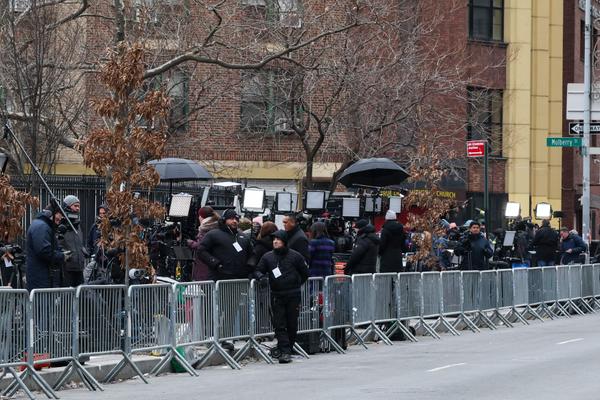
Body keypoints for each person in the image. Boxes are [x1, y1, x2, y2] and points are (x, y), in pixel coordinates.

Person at [254, 230, 308, 364]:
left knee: (292, 323)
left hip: (293, 294)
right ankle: (284, 350)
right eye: (274, 240)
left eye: (278, 239)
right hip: (277, 295)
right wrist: (261, 277)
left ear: (284, 241)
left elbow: (305, 273)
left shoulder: (295, 256)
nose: (275, 241)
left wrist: (296, 283)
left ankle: (287, 348)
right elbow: (258, 269)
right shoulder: (268, 257)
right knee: (279, 324)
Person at [197, 209, 254, 280]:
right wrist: (215, 263)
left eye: (236, 219)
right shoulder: (213, 234)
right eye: (231, 218)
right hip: (219, 278)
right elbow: (201, 251)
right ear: (224, 219)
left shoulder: (243, 237)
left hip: (240, 279)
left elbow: (252, 255)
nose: (234, 221)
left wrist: (249, 267)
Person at [25, 203, 66, 290]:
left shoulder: (42, 225)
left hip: (41, 275)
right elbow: (44, 251)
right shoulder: (42, 227)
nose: (60, 219)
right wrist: (61, 256)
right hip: (41, 277)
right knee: (42, 302)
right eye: (59, 216)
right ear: (52, 214)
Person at [59, 195, 86, 287]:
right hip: (67, 267)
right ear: (67, 206)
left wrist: (83, 251)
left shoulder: (77, 225)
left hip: (79, 267)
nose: (77, 208)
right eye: (75, 206)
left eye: (79, 206)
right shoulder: (61, 225)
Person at [187, 206, 220, 281]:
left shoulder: (206, 227)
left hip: (205, 265)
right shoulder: (216, 224)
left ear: (201, 217)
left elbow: (202, 245)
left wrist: (190, 243)